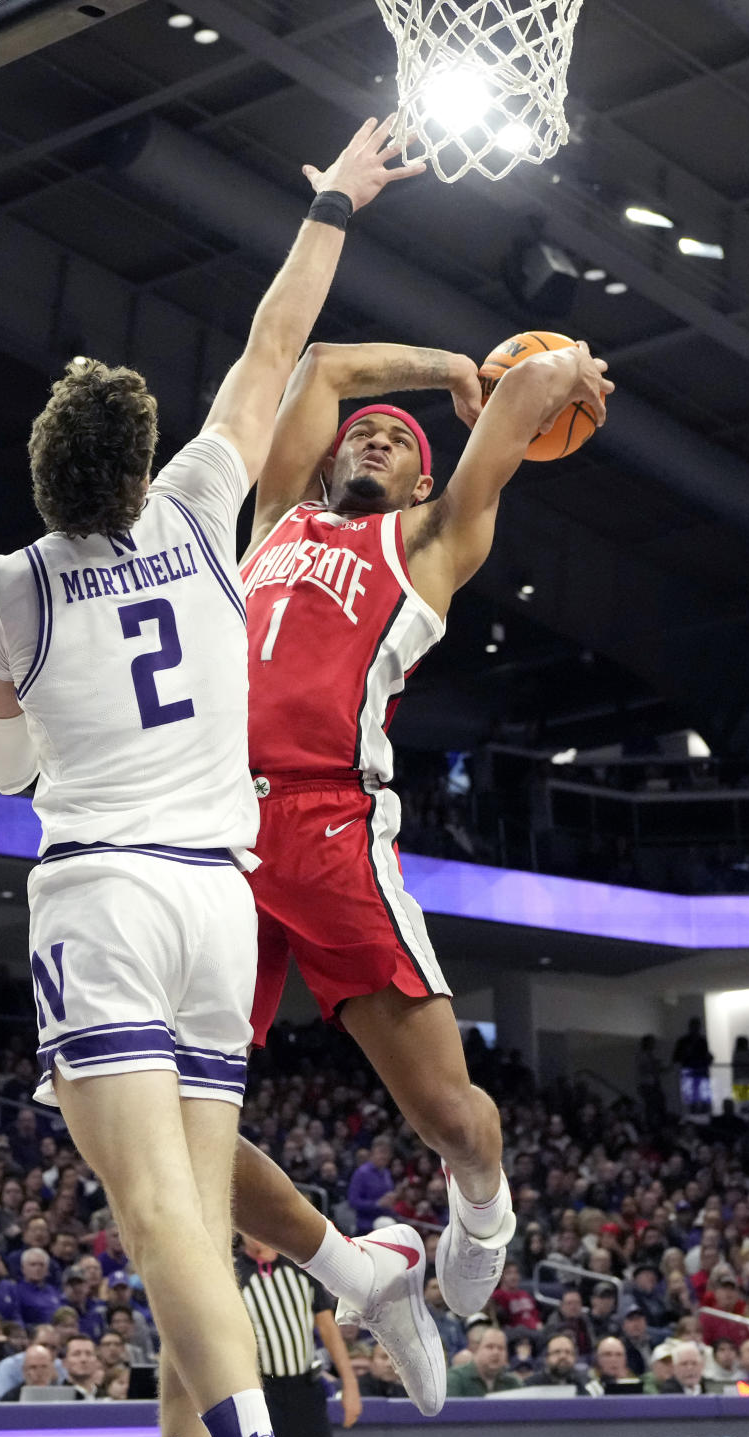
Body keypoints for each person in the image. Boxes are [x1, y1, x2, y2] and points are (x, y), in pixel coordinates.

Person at [0, 116, 432, 1437]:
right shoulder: (196, 502)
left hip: (106, 893)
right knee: (200, 1220)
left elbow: (7, 765)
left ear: (47, 481)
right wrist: (336, 202)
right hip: (220, 909)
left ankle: (237, 1429)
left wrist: (58, 719)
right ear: (137, 463)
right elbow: (274, 348)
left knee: (158, 1207)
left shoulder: (14, 586)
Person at [227, 330, 612, 1349]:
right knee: (175, 1128)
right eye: (363, 437)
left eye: (398, 441)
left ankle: (483, 1204)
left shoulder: (433, 539)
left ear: (422, 478)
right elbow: (322, 372)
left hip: (330, 825)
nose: (375, 439)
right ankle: (362, 1273)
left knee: (445, 1113)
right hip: (217, 825)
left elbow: (535, 382)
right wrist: (442, 369)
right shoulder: (273, 518)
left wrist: (564, 363)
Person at [236, 1234, 360, 1437]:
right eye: (248, 1229)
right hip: (262, 1392)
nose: (255, 1234)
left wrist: (350, 1384)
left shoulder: (299, 1269)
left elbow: (328, 1328)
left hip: (305, 1389)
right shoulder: (236, 1275)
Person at [445, 1327, 521, 1397]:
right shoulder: (456, 1379)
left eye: (501, 1348)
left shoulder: (513, 1383)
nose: (496, 1352)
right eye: (489, 1347)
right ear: (476, 1350)